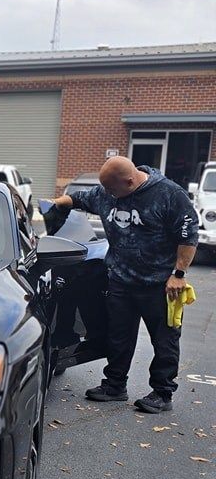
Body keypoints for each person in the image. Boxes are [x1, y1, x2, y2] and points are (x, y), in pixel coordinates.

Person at [45, 156, 198, 413]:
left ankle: (162, 393)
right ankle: (114, 386)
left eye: (111, 189)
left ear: (130, 180)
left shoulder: (169, 195)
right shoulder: (108, 193)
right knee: (118, 337)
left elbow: (188, 235)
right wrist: (56, 203)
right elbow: (80, 198)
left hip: (159, 285)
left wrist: (178, 274)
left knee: (164, 341)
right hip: (120, 282)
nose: (107, 195)